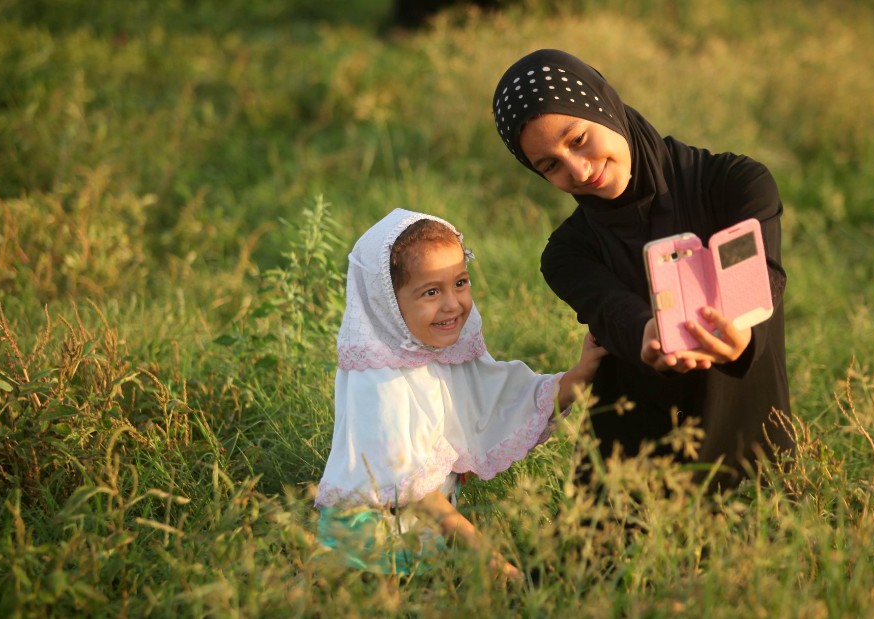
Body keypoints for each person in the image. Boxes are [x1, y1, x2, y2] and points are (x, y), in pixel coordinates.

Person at [491, 49, 793, 494]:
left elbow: (762, 277)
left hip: (749, 452)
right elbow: (613, 312)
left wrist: (740, 336)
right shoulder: (567, 253)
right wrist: (646, 335)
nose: (578, 169)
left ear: (603, 106)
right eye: (550, 165)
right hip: (629, 479)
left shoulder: (734, 183)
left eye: (577, 139)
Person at [314, 208, 606, 580]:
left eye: (460, 282)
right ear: (387, 302)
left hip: (422, 539)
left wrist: (581, 374)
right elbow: (420, 494)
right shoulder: (379, 384)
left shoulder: (443, 354)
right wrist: (497, 566)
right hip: (369, 550)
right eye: (431, 291)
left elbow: (506, 400)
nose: (452, 304)